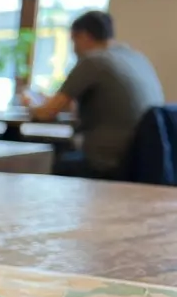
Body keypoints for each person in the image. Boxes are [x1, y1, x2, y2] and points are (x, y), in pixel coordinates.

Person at [29, 10, 164, 179]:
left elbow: (46, 113)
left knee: (50, 161)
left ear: (84, 36)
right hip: (144, 160)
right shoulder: (135, 57)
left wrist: (31, 105)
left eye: (73, 40)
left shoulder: (93, 61)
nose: (74, 49)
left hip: (107, 163)